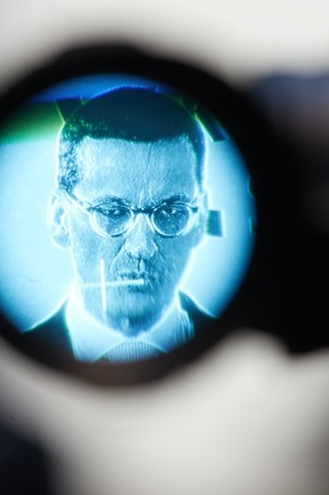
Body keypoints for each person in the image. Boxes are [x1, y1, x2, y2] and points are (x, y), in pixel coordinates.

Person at [22, 86, 214, 364]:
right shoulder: (6, 363)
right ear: (60, 217)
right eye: (112, 212)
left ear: (201, 218)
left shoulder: (244, 350)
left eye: (171, 212)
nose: (142, 248)